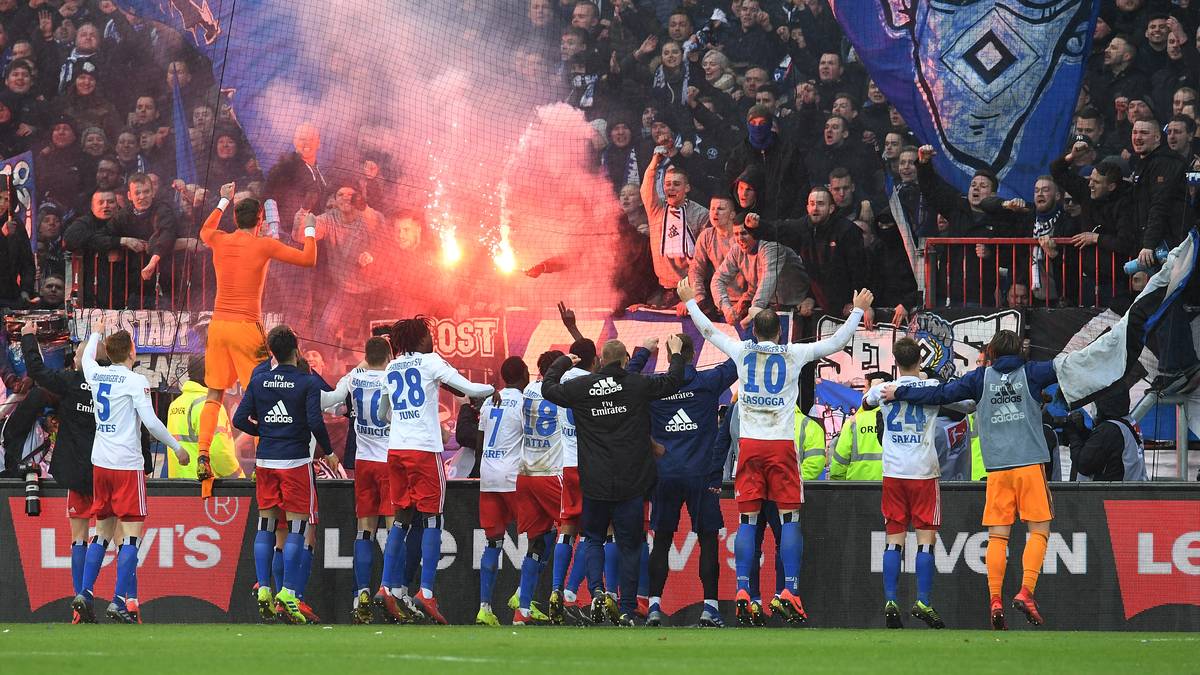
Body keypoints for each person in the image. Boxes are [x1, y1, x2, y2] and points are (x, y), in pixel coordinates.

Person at [678, 276, 874, 625]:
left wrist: (691, 301)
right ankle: (790, 590)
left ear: (754, 333)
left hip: (750, 448)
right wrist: (858, 311)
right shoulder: (793, 353)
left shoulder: (742, 351)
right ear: (780, 333)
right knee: (790, 519)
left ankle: (742, 588)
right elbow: (837, 342)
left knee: (747, 520)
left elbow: (709, 331)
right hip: (781, 447)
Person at [884, 329, 1058, 629]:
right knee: (1039, 530)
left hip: (996, 470)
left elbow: (939, 394)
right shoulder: (1032, 372)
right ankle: (1026, 591)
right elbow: (1068, 367)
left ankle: (994, 599)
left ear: (991, 352)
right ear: (1020, 351)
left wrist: (900, 392)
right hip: (1028, 464)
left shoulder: (979, 379)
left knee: (998, 537)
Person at [542, 335, 686, 626]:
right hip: (631, 483)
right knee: (630, 545)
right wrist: (676, 354)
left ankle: (596, 592)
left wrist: (561, 362)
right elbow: (673, 381)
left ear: (600, 361)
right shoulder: (636, 385)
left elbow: (548, 389)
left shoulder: (582, 387)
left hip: (594, 482)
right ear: (623, 362)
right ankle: (627, 609)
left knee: (593, 538)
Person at [194, 182, 317, 498]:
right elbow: (308, 260)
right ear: (260, 220)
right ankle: (267, 464)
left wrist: (222, 198)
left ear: (235, 219)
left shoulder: (219, 240)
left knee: (214, 394)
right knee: (264, 394)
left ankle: (203, 454)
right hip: (246, 328)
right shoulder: (263, 245)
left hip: (218, 325)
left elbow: (205, 230)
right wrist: (311, 230)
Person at [74, 318, 189, 624]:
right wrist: (177, 449)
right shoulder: (136, 382)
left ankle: (84, 593)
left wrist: (96, 329)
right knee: (131, 537)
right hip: (127, 466)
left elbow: (86, 357)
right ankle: (118, 600)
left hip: (100, 464)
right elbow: (151, 423)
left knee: (102, 533)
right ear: (131, 353)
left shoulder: (97, 374)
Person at [383, 316, 495, 624]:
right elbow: (470, 388)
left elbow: (383, 412)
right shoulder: (431, 361)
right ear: (420, 340)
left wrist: (400, 422)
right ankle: (427, 593)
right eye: (429, 335)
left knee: (402, 518)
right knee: (433, 518)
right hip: (423, 451)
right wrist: (495, 387)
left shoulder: (392, 367)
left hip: (396, 450)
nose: (433, 340)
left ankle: (386, 586)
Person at [626, 334, 737, 627]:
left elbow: (624, 382)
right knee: (708, 539)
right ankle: (710, 609)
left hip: (664, 474)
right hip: (700, 474)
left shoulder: (655, 386)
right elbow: (740, 359)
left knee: (661, 540)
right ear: (693, 355)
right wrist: (744, 327)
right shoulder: (708, 381)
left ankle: (653, 607)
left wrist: (641, 353)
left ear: (668, 355)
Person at [233, 324, 338, 625]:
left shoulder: (259, 379)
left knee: (265, 525)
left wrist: (265, 431)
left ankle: (265, 587)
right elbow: (316, 423)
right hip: (294, 462)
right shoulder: (306, 382)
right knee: (297, 529)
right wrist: (328, 452)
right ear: (295, 349)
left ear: (271, 352)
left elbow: (240, 418)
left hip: (265, 461)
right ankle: (289, 593)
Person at [20, 321, 108, 623]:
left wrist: (29, 337)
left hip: (75, 470)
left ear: (76, 360)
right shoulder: (111, 383)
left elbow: (37, 373)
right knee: (119, 537)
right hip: (105, 470)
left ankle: (78, 606)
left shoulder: (70, 381)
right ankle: (117, 598)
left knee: (79, 538)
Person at [863, 338, 947, 629]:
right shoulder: (933, 388)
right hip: (923, 472)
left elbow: (865, 402)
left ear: (896, 361)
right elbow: (968, 403)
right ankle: (923, 601)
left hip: (894, 473)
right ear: (920, 360)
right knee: (925, 540)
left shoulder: (883, 389)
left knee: (894, 538)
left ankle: (890, 599)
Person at [317, 337, 394, 623]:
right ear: (389, 355)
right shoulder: (393, 378)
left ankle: (361, 591)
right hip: (388, 462)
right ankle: (388, 590)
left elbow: (328, 401)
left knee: (365, 530)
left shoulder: (354, 378)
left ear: (365, 356)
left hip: (363, 463)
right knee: (392, 530)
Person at [475, 357, 536, 626]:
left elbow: (480, 441)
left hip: (488, 478)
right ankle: (521, 600)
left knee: (493, 543)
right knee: (538, 538)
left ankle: (484, 608)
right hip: (513, 478)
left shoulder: (490, 401)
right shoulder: (524, 402)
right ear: (524, 375)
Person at [514, 351, 569, 625]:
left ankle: (521, 610)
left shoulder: (526, 393)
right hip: (551, 473)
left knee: (536, 541)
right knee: (575, 531)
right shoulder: (560, 393)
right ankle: (565, 595)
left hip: (525, 475)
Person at [548, 337, 597, 624]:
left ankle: (557, 590)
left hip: (567, 465)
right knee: (595, 534)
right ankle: (574, 592)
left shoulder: (559, 384)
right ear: (594, 360)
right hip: (591, 465)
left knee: (566, 530)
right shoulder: (593, 383)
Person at [642, 147, 710, 309]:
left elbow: (704, 258)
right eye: (667, 184)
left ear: (687, 188)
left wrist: (694, 293)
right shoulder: (656, 210)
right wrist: (654, 163)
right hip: (663, 289)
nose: (671, 188)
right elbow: (646, 190)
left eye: (676, 184)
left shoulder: (702, 214)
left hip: (691, 288)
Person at [166, 356, 240, 479]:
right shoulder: (210, 406)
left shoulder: (176, 404)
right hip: (206, 486)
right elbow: (219, 452)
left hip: (179, 487)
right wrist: (238, 478)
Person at [1069, 389, 1148, 481]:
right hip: (1127, 490)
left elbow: (1083, 466)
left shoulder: (1108, 429)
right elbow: (1099, 449)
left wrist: (1073, 434)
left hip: (1114, 493)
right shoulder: (1124, 425)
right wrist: (1082, 431)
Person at [829, 372, 889, 480]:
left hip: (858, 489)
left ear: (873, 393)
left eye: (866, 388)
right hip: (894, 486)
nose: (863, 392)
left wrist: (839, 487)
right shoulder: (901, 419)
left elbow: (840, 461)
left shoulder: (854, 422)